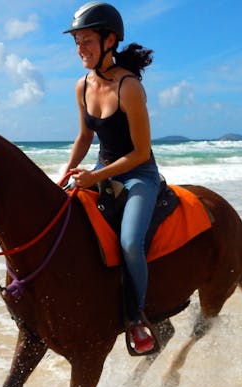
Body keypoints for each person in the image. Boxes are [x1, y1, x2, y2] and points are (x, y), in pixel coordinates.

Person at [62, 2, 160, 355]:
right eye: (76, 42)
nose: (80, 49)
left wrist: (95, 176)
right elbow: (84, 138)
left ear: (110, 40)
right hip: (98, 174)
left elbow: (140, 152)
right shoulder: (81, 86)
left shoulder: (129, 87)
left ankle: (136, 318)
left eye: (86, 40)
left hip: (138, 176)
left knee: (131, 243)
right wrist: (63, 177)